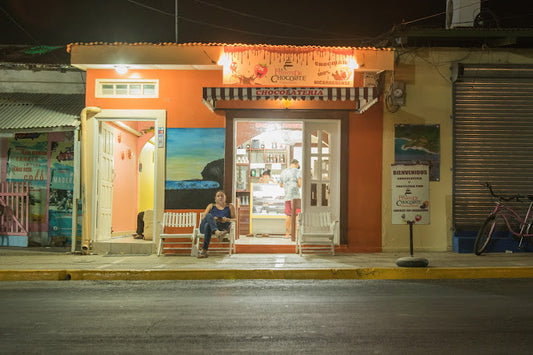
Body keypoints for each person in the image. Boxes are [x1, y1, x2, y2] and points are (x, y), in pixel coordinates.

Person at [198, 190, 236, 258]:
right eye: (218, 196)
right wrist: (213, 219)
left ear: (225, 197)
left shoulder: (230, 206)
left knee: (208, 226)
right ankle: (217, 232)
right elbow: (203, 218)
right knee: (209, 216)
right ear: (215, 198)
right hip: (205, 228)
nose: (220, 197)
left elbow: (235, 219)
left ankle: (204, 250)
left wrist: (226, 219)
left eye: (222, 196)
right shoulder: (211, 206)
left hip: (220, 226)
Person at [279, 159, 302, 238]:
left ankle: (287, 234)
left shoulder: (283, 172)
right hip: (295, 197)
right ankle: (295, 234)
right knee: (296, 215)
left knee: (288, 215)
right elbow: (299, 184)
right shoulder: (297, 171)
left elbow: (281, 185)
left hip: (287, 196)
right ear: (297, 164)